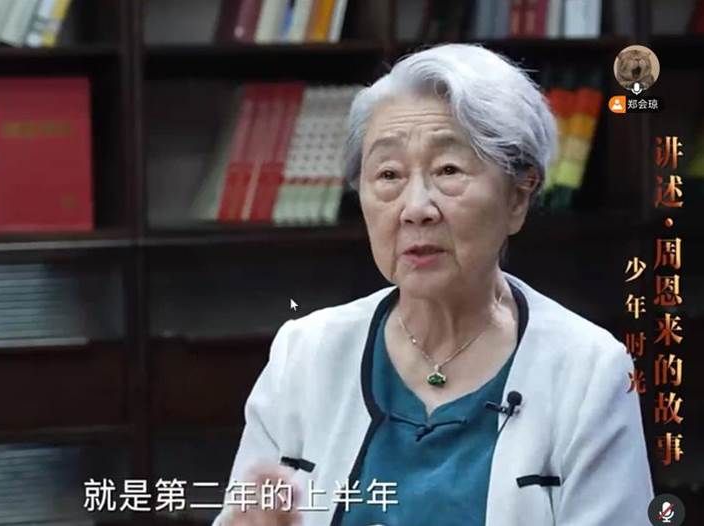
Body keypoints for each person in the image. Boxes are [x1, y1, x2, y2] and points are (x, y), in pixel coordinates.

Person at [212, 43, 653, 526]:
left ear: (518, 197)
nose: (415, 208)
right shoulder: (304, 355)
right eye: (388, 174)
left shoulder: (589, 371)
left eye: (448, 170)